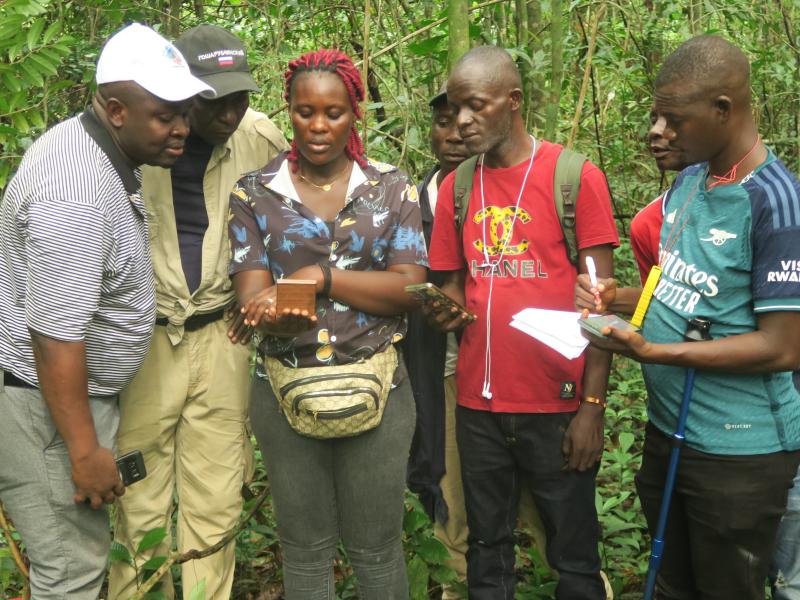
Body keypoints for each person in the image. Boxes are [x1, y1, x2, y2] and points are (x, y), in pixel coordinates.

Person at [581, 35, 800, 599]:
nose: (659, 132)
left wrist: (655, 352)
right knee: (672, 584)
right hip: (670, 432)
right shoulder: (689, 181)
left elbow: (782, 347)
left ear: (723, 110)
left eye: (674, 120)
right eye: (656, 117)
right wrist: (617, 298)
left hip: (737, 454)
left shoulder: (775, 203)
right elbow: (679, 294)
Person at [0, 23, 211, 599]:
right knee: (69, 574)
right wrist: (84, 449)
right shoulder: (76, 192)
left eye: (184, 113)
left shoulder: (96, 148)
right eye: (165, 116)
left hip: (57, 404)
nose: (182, 128)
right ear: (116, 111)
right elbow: (54, 336)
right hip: (43, 412)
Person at [227, 49, 427, 599]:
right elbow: (253, 300)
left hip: (379, 387)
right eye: (305, 111)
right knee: (305, 550)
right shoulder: (254, 192)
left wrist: (320, 278)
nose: (318, 126)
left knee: (377, 550)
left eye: (333, 113)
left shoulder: (392, 188)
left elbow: (410, 288)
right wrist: (275, 314)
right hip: (284, 391)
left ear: (354, 113)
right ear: (288, 111)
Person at [426, 46, 620, 600]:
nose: (463, 121)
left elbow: (601, 303)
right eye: (456, 109)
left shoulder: (573, 176)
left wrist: (592, 407)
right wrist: (444, 307)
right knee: (487, 548)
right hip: (478, 406)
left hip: (557, 403)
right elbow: (452, 283)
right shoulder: (457, 186)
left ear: (513, 101)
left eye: (477, 106)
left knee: (573, 552)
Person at [108, 24, 287, 599]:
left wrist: (260, 296)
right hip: (145, 338)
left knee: (216, 496)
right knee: (138, 495)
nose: (230, 113)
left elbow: (296, 224)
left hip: (222, 336)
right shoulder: (135, 140)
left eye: (241, 98)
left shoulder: (261, 139)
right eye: (215, 101)